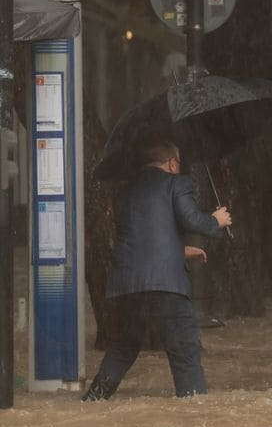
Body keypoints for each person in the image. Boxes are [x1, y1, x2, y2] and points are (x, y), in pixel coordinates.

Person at [82, 140, 232, 400]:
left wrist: (182, 250)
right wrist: (216, 220)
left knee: (123, 346)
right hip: (166, 285)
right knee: (184, 351)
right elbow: (191, 220)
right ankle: (197, 411)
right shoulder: (178, 183)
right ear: (172, 163)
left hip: (129, 284)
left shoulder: (125, 193)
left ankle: (94, 399)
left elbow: (143, 236)